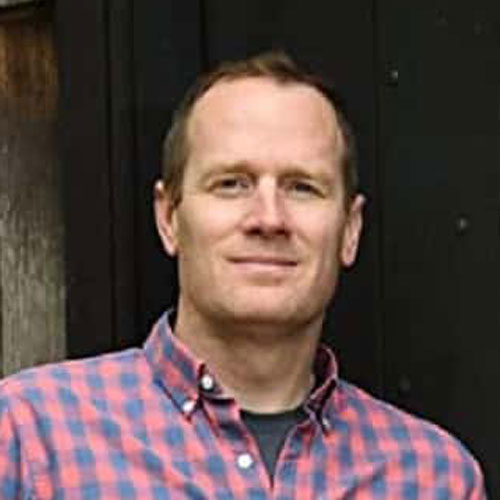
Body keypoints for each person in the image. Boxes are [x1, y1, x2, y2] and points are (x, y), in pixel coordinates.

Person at [0, 52, 485, 499]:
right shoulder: (32, 437)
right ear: (168, 217)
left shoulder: (434, 478)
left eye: (302, 187)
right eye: (231, 184)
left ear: (350, 230)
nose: (268, 219)